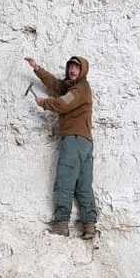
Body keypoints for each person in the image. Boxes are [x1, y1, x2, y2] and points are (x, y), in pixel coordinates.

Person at [24, 55, 97, 239]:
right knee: (83, 185)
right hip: (85, 142)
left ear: (83, 71)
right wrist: (37, 68)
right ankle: (89, 226)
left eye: (76, 68)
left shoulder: (80, 89)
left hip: (73, 141)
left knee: (65, 180)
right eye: (70, 67)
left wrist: (45, 103)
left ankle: (61, 224)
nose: (72, 70)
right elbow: (56, 86)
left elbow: (63, 104)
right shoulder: (72, 87)